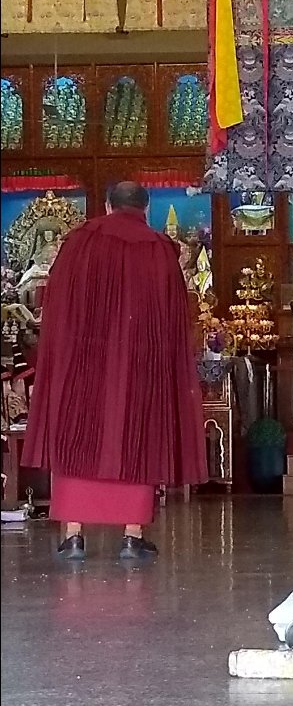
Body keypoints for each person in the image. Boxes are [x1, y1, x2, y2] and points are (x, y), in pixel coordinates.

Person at [22, 181, 207, 561]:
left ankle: (73, 535)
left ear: (107, 206)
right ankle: (131, 535)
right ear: (146, 208)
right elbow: (174, 320)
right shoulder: (158, 249)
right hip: (140, 363)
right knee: (135, 435)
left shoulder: (77, 243)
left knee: (78, 434)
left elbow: (53, 306)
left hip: (81, 363)